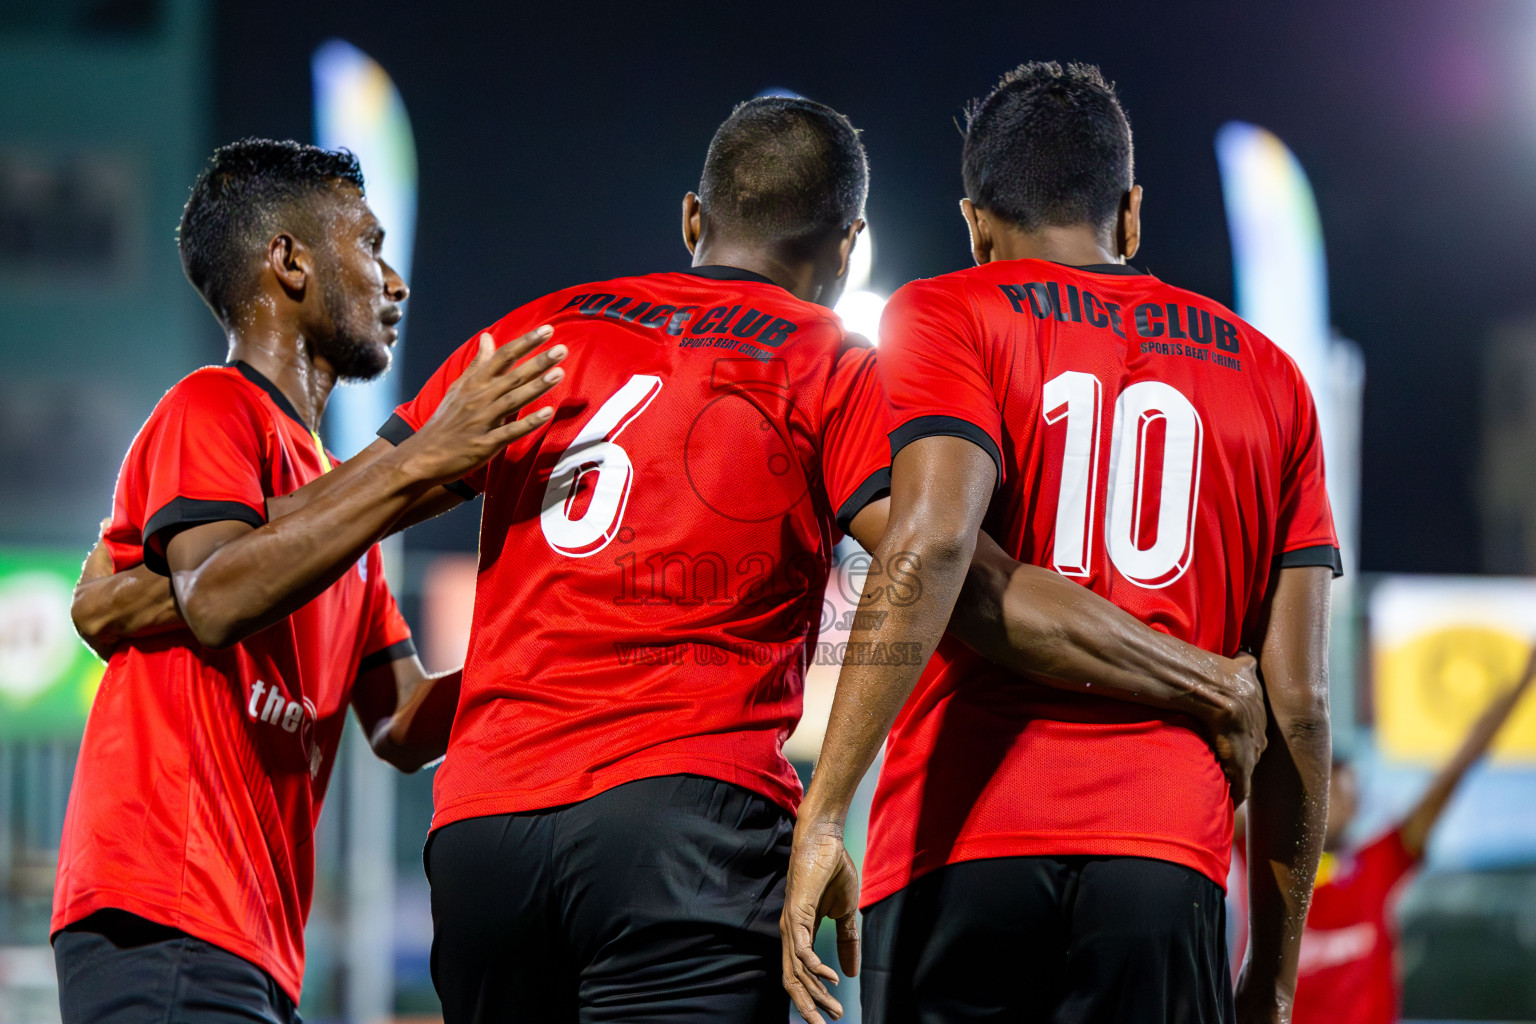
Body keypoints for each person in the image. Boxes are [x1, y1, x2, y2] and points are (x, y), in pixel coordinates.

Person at [282, 95, 1273, 1023]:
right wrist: (1197, 676)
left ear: (690, 219)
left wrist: (198, 570)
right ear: (848, 252)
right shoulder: (830, 362)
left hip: (486, 833)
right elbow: (950, 573)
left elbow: (320, 520)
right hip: (688, 824)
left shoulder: (533, 333)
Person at [783, 62, 1340, 1024]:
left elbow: (928, 552)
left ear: (974, 223)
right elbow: (1298, 706)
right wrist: (1272, 983)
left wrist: (824, 810)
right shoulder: (1275, 379)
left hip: (960, 841)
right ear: (1129, 213)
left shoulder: (948, 311)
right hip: (1165, 856)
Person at [54, 138, 562, 1024]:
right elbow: (215, 598)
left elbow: (401, 722)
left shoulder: (340, 510)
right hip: (163, 904)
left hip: (254, 935)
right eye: (368, 244)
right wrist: (422, 462)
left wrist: (552, 654)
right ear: (288, 260)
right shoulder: (211, 409)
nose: (395, 282)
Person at [1289, 658, 1536, 1024]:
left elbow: (1459, 765)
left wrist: (1524, 680)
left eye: (1340, 782)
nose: (1332, 794)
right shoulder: (1266, 859)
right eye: (1320, 781)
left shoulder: (1382, 858)